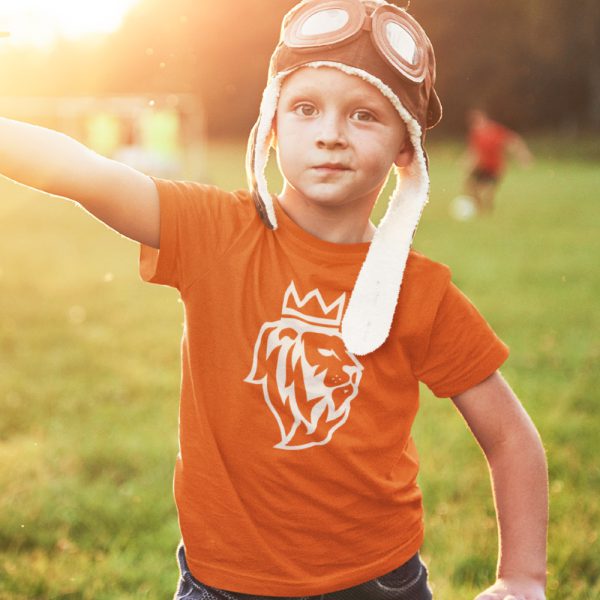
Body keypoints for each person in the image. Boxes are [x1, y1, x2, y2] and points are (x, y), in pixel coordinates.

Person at [0, 1, 548, 598]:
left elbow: (510, 437)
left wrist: (522, 575)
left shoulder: (419, 293)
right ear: (272, 124)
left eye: (364, 115)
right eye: (306, 108)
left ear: (404, 149)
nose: (331, 133)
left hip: (376, 580)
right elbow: (86, 173)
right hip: (222, 582)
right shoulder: (211, 231)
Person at [462, 108, 533, 214]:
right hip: (482, 166)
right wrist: (466, 161)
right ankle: (480, 209)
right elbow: (473, 150)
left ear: (484, 119)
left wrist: (524, 156)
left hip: (495, 167)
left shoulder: (495, 131)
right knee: (470, 187)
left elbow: (513, 141)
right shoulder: (475, 134)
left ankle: (488, 211)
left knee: (487, 192)